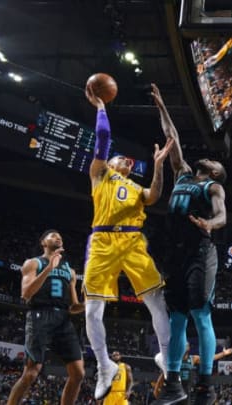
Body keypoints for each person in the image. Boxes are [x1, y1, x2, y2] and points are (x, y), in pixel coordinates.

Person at [84, 85, 174, 400]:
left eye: (124, 159)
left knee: (156, 302)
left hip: (133, 242)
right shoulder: (99, 174)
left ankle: (165, 354)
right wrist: (100, 107)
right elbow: (103, 139)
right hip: (103, 240)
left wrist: (159, 165)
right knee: (92, 310)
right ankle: (103, 365)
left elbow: (155, 196)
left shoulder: (137, 189)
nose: (119, 160)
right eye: (117, 157)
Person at [150, 83, 228, 405]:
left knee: (200, 314)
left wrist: (208, 223)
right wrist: (161, 106)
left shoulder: (213, 188)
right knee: (177, 318)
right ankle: (173, 382)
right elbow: (174, 138)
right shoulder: (182, 173)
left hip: (200, 251)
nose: (207, 158)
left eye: (212, 160)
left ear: (214, 172)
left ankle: (206, 384)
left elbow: (222, 216)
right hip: (174, 253)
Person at [7, 230, 85, 405]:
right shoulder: (33, 263)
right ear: (43, 242)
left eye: (60, 236)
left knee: (78, 374)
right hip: (40, 315)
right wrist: (49, 268)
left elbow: (73, 307)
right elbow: (26, 294)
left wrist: (90, 304)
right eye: (53, 236)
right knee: (32, 372)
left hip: (63, 319)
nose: (58, 237)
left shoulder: (70, 271)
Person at [153, 345, 232, 404]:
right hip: (177, 389)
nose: (185, 344)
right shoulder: (175, 360)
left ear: (189, 347)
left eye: (186, 343)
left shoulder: (193, 359)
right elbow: (165, 373)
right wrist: (156, 389)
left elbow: (208, 359)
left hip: (189, 389)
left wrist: (223, 354)